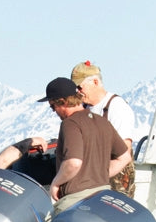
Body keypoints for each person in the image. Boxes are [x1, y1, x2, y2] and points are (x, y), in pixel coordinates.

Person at [39, 76, 129, 205]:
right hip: (103, 197)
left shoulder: (70, 123)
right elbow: (124, 157)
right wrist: (99, 175)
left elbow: (73, 163)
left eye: (53, 106)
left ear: (62, 101)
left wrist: (56, 183)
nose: (54, 111)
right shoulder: (102, 121)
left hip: (76, 200)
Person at [71, 61, 140, 196]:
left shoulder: (116, 107)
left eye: (80, 87)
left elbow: (124, 149)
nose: (78, 92)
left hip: (115, 182)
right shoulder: (83, 109)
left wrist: (98, 174)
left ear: (95, 82)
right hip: (90, 180)